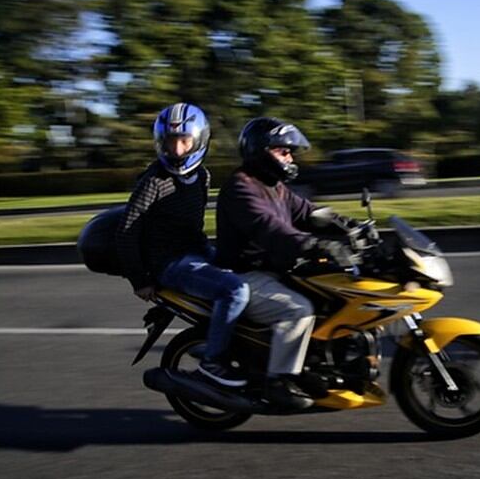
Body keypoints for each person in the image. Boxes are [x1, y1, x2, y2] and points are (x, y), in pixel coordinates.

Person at [215, 117, 358, 410]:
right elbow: (270, 229)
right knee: (297, 310)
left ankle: (315, 367)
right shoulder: (240, 188)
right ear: (260, 151)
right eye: (283, 151)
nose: (290, 158)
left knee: (335, 296)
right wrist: (314, 244)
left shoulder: (275, 186)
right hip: (246, 274)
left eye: (290, 152)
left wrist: (350, 226)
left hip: (274, 270)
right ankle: (278, 380)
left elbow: (309, 213)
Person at [115, 102, 250, 389]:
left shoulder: (202, 176)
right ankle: (213, 364)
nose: (176, 150)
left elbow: (195, 227)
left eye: (184, 141)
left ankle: (234, 344)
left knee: (252, 270)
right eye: (170, 142)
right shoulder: (153, 181)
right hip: (170, 264)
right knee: (234, 290)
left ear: (199, 140)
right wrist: (139, 279)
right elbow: (126, 232)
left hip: (196, 251)